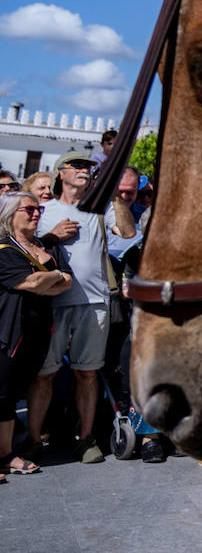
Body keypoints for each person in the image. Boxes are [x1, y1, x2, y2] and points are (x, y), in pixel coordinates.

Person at [27, 151, 136, 464]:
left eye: (89, 166)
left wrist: (115, 195)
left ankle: (86, 439)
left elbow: (128, 232)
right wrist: (50, 236)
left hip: (94, 302)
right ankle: (35, 440)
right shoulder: (43, 209)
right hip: (52, 302)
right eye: (77, 166)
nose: (85, 170)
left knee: (87, 374)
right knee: (43, 376)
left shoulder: (101, 209)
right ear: (61, 173)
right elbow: (21, 246)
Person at [0, 191, 73, 479]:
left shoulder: (42, 246)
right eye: (28, 209)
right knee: (0, 393)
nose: (36, 213)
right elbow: (31, 281)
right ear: (10, 214)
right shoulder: (5, 249)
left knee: (6, 397)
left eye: (38, 209)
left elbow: (66, 281)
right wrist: (52, 277)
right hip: (7, 334)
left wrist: (50, 279)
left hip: (35, 334)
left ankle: (5, 456)